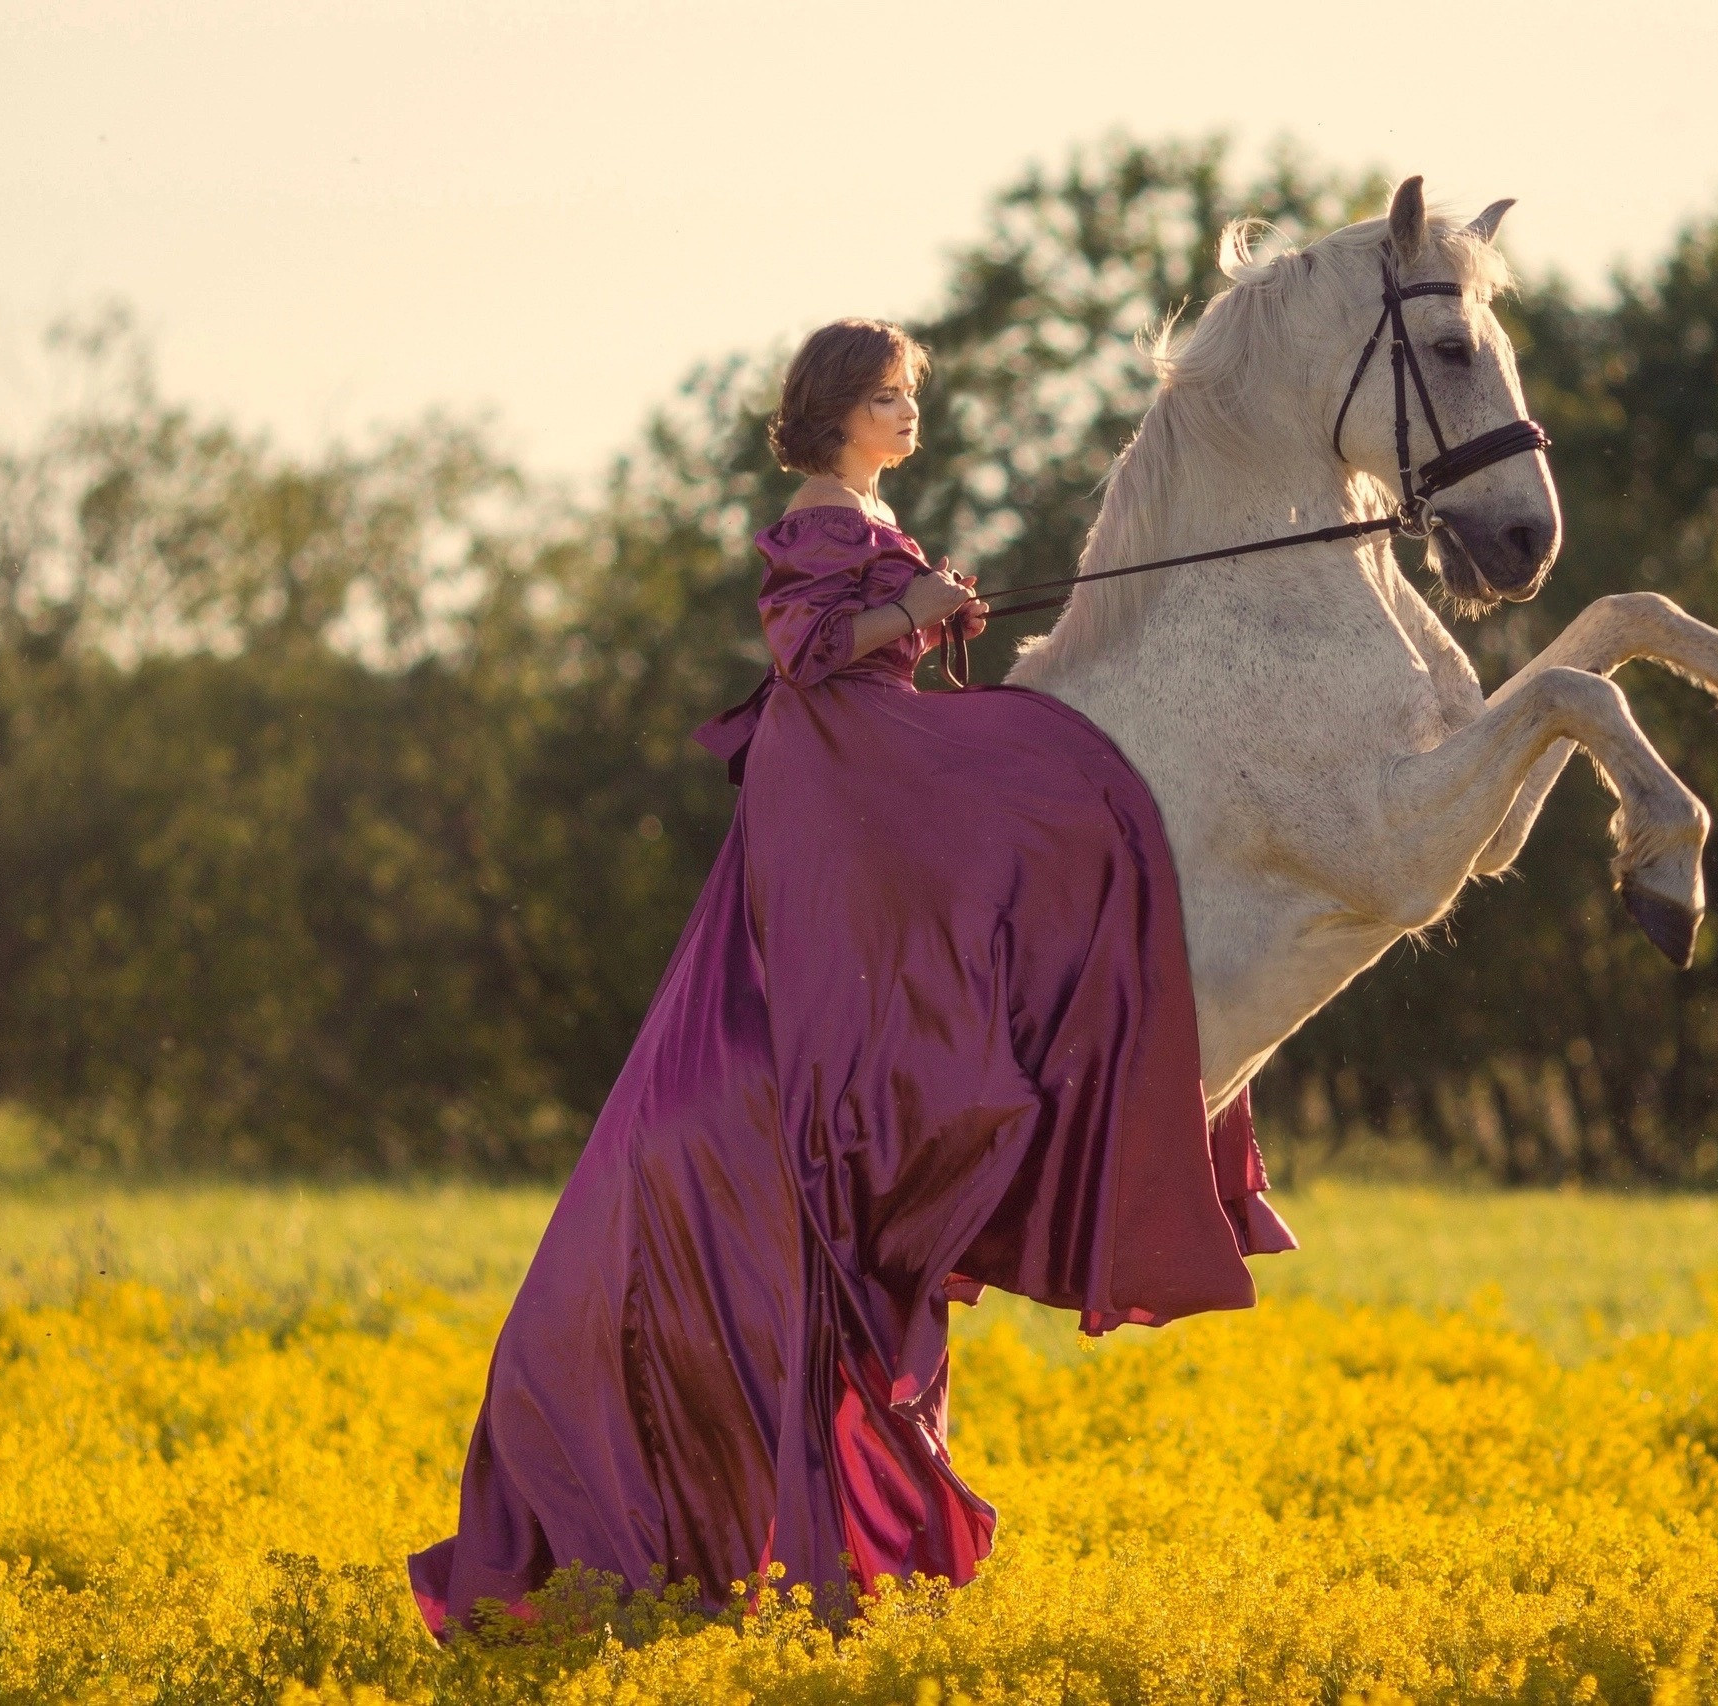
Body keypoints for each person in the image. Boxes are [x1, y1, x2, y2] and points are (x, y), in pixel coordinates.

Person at [406, 318, 1292, 1636]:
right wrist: (910, 611)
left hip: (861, 786)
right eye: (888, 397)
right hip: (839, 801)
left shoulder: (870, 510)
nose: (907, 413)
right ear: (833, 412)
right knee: (1053, 788)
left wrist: (924, 619)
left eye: (910, 394)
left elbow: (866, 642)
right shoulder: (821, 514)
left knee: (1044, 794)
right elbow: (802, 650)